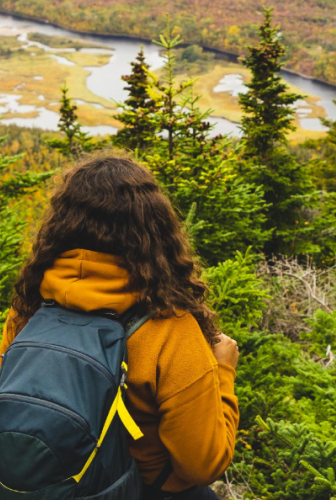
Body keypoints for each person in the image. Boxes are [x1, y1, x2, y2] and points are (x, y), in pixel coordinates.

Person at [0, 153, 239, 500]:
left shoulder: (29, 307)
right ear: (156, 229)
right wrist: (223, 371)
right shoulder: (170, 328)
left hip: (38, 481)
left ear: (60, 224)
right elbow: (203, 465)